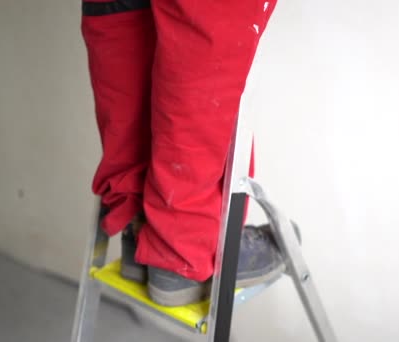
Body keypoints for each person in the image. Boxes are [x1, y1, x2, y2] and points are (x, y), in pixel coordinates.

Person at [81, 0, 283, 307]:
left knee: (123, 12)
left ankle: (141, 228)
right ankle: (180, 253)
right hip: (187, 241)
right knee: (210, 16)